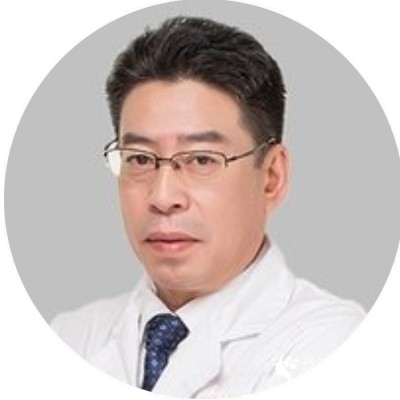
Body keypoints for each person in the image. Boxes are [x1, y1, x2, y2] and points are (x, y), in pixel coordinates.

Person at [51, 16, 365, 397]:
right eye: (140, 159)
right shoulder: (68, 336)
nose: (162, 197)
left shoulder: (337, 344)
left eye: (201, 159)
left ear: (271, 177)